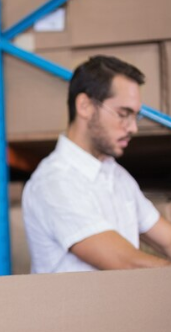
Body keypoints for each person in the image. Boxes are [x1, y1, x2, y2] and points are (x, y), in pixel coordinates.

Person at [22, 55, 171, 274]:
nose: (133, 128)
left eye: (135, 117)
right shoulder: (55, 182)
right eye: (123, 114)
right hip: (74, 309)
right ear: (84, 106)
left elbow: (166, 239)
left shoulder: (118, 177)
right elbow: (126, 262)